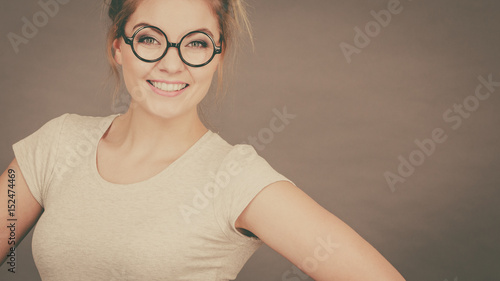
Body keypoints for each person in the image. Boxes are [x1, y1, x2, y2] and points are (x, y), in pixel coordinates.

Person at [0, 0, 406, 280]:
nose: (172, 63)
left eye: (196, 43)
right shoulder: (56, 145)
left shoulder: (235, 178)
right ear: (118, 48)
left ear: (218, 55)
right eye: (148, 38)